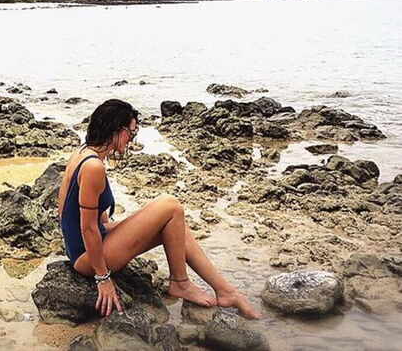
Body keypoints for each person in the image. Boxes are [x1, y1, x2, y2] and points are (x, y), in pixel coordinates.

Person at [57, 98, 262, 319]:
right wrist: (103, 279)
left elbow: (89, 217)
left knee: (174, 225)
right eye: (132, 133)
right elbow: (88, 228)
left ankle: (225, 291)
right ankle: (181, 283)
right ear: (116, 130)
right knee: (170, 205)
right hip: (85, 258)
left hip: (82, 246)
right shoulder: (93, 166)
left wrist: (128, 228)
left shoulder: (84, 152)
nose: (132, 140)